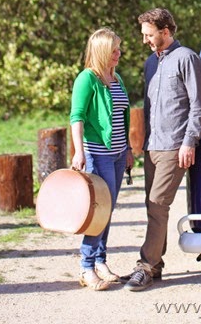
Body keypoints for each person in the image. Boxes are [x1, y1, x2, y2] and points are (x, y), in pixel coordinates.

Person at [124, 8, 201, 291]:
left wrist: (189, 142)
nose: (145, 40)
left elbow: (197, 105)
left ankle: (145, 266)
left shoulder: (187, 58)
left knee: (158, 204)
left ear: (166, 31)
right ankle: (156, 265)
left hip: (174, 146)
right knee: (152, 207)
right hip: (152, 146)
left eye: (149, 35)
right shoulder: (150, 63)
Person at [70, 28, 134, 291]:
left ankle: (100, 260)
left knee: (108, 210)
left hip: (118, 154)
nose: (118, 54)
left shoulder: (116, 78)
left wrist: (128, 148)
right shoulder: (87, 79)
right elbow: (77, 117)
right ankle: (86, 267)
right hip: (98, 154)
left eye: (118, 49)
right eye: (113, 50)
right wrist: (79, 152)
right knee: (99, 211)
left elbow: (122, 117)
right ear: (101, 52)